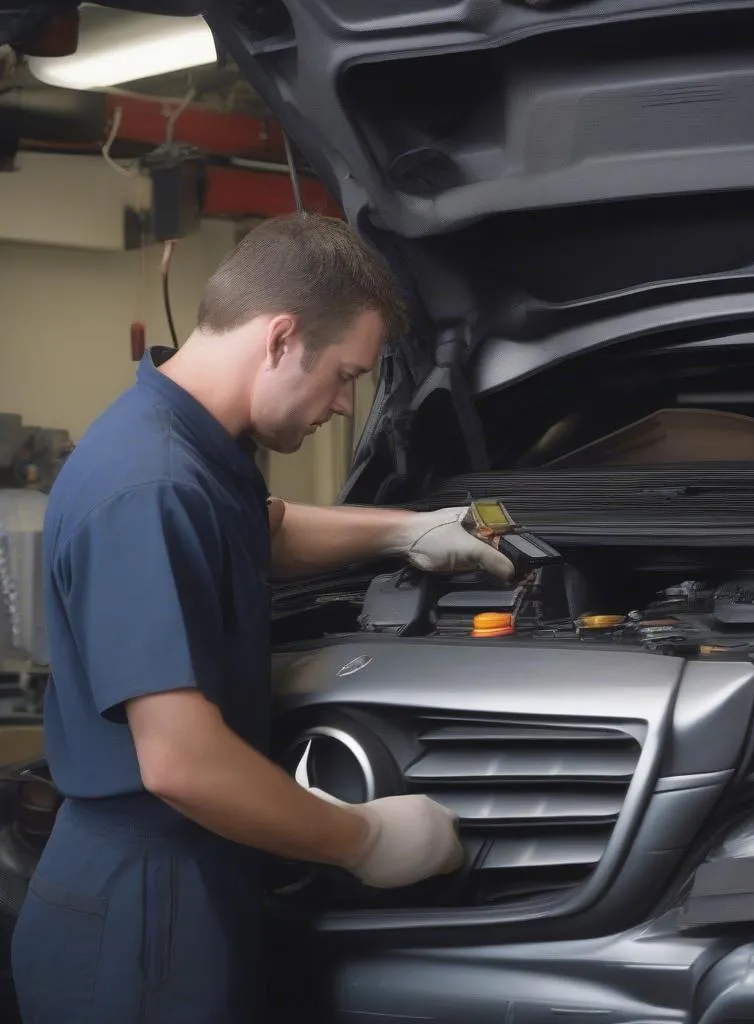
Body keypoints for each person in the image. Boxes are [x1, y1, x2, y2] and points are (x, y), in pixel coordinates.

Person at [10, 213, 515, 1024]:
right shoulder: (153, 487)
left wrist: (408, 529)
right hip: (147, 909)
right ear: (281, 337)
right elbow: (182, 763)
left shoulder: (182, 443)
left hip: (182, 881)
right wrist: (365, 841)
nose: (347, 407)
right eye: (347, 375)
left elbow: (262, 529)